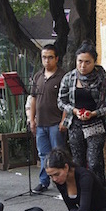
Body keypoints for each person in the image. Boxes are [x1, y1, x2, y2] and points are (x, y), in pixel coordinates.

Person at [58, 40, 106, 185]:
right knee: (78, 161)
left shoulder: (102, 78)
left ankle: (100, 192)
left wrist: (94, 113)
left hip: (95, 123)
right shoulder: (69, 78)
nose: (83, 66)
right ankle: (82, 192)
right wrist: (75, 111)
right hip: (75, 123)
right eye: (80, 61)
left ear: (94, 62)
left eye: (87, 62)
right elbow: (61, 101)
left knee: (95, 161)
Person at [30, 43, 68, 193]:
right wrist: (32, 119)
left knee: (58, 154)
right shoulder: (38, 76)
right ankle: (43, 182)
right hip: (41, 124)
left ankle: (62, 182)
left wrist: (64, 120)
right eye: (44, 57)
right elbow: (33, 99)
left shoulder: (63, 76)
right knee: (43, 154)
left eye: (50, 57)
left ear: (57, 58)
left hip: (56, 123)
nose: (47, 61)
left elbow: (67, 102)